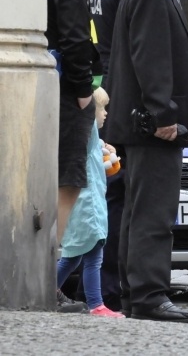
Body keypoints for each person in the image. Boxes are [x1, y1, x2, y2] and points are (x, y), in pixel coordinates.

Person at [105, 0, 188, 323]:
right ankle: (148, 294)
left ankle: (136, 294)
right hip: (152, 126)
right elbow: (151, 58)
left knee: (138, 208)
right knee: (153, 212)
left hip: (140, 122)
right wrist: (164, 115)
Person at [88, 0, 153, 312]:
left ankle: (102, 282)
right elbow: (139, 48)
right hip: (124, 96)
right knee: (121, 196)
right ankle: (115, 285)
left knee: (107, 190)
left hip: (103, 91)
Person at [46, 0, 99, 313]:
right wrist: (84, 90)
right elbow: (75, 32)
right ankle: (45, 278)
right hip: (64, 88)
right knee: (67, 182)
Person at [57, 87, 125, 319]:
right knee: (94, 256)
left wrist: (106, 153)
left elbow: (96, 163)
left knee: (72, 257)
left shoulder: (87, 138)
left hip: (84, 205)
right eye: (102, 108)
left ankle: (46, 289)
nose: (105, 113)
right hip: (89, 208)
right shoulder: (88, 131)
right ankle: (96, 304)